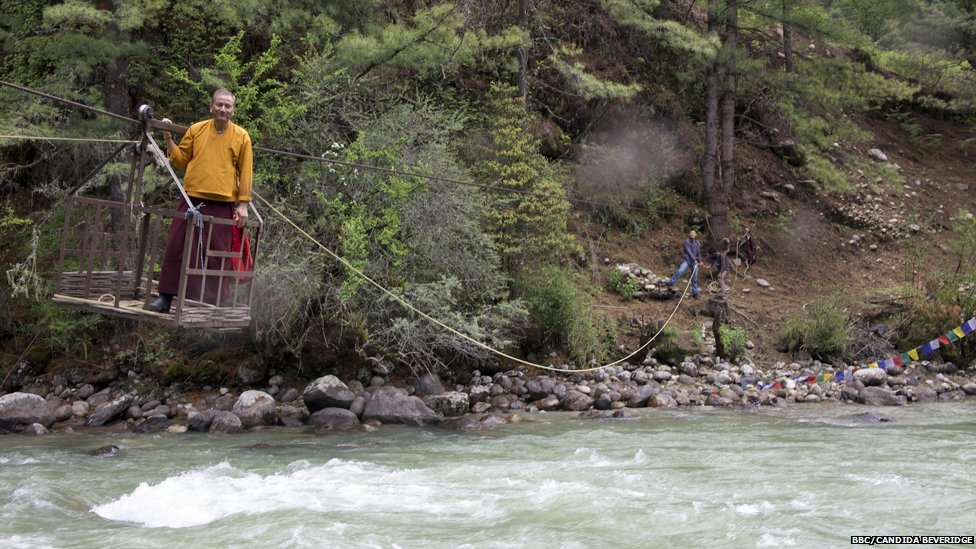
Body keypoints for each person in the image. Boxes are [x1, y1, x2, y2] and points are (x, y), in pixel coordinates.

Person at [146, 89, 253, 313]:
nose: (223, 109)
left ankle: (213, 303)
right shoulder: (197, 129)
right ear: (211, 107)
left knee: (217, 254)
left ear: (233, 110)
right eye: (219, 105)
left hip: (222, 203)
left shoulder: (242, 137)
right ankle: (165, 298)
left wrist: (243, 204)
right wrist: (167, 137)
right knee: (177, 246)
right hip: (191, 199)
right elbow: (180, 160)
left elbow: (245, 172)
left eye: (227, 106)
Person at [667, 229, 702, 298]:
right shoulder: (687, 242)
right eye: (691, 233)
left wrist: (700, 261)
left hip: (694, 262)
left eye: (694, 233)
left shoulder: (697, 243)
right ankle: (670, 283)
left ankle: (695, 293)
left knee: (694, 277)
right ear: (689, 234)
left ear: (695, 235)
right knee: (680, 271)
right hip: (687, 261)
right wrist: (694, 259)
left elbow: (698, 253)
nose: (692, 234)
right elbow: (689, 252)